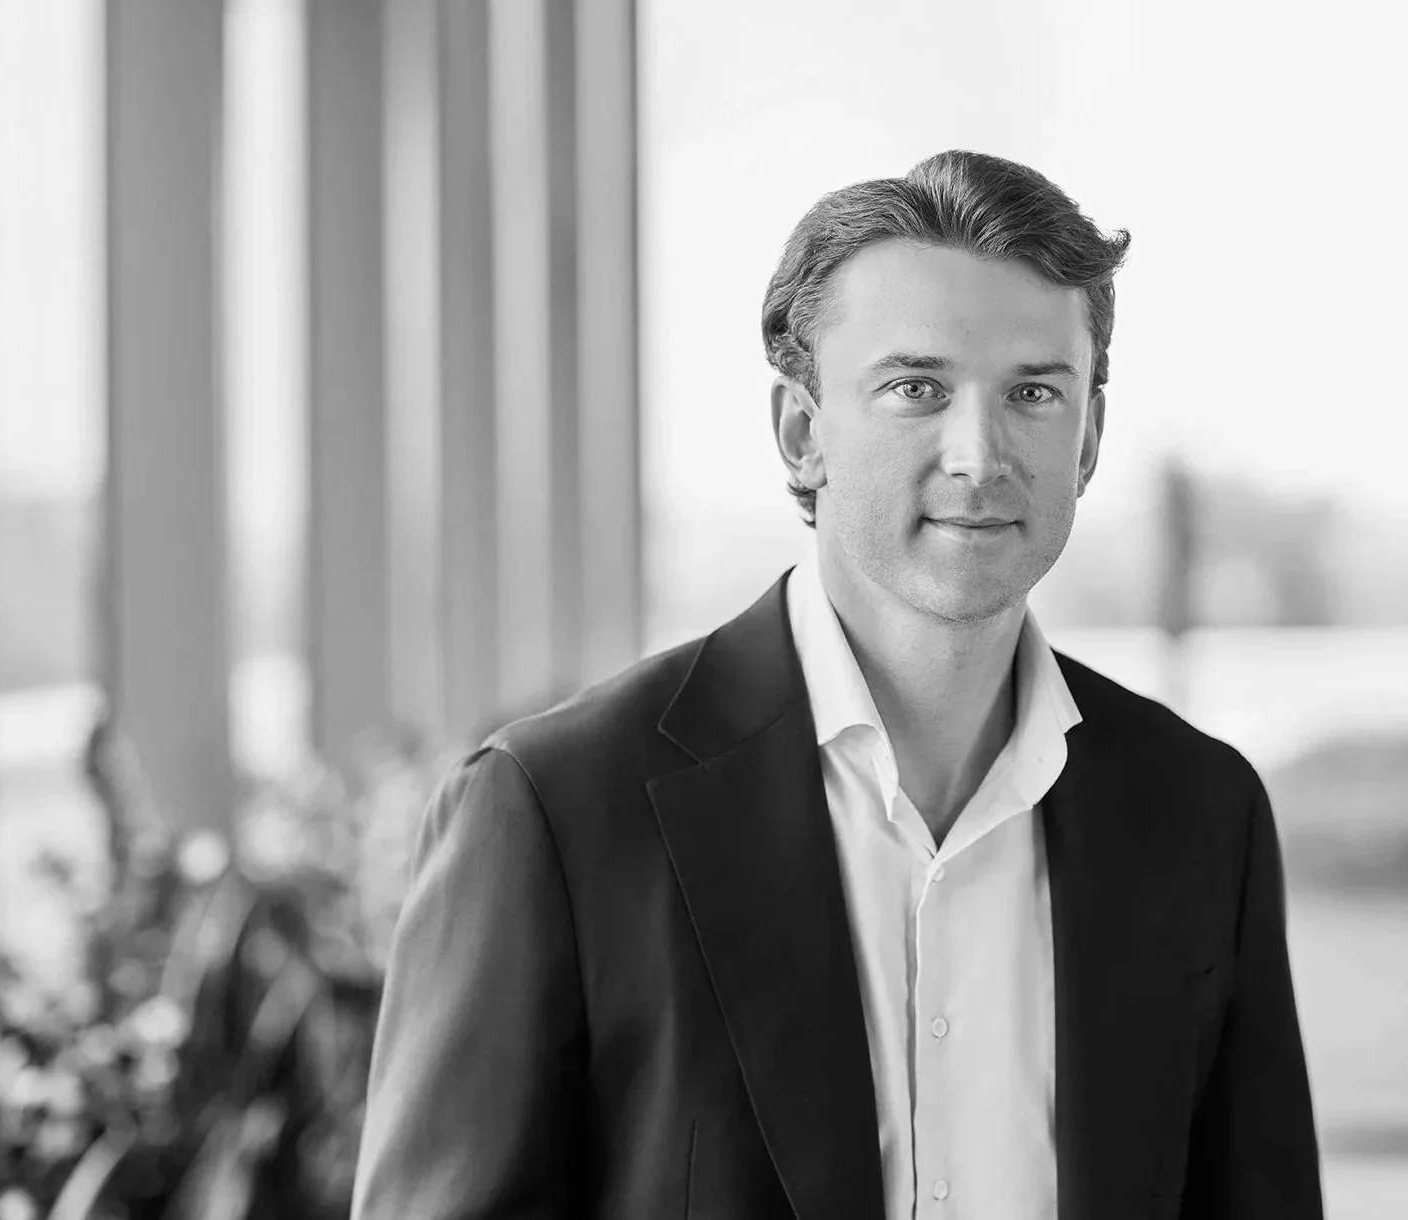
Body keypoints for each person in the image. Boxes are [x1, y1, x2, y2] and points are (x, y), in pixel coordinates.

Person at [351, 149, 1323, 1220]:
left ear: (1088, 438)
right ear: (802, 432)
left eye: (1034, 392)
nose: (979, 454)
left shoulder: (1202, 813)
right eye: (916, 389)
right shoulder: (555, 810)